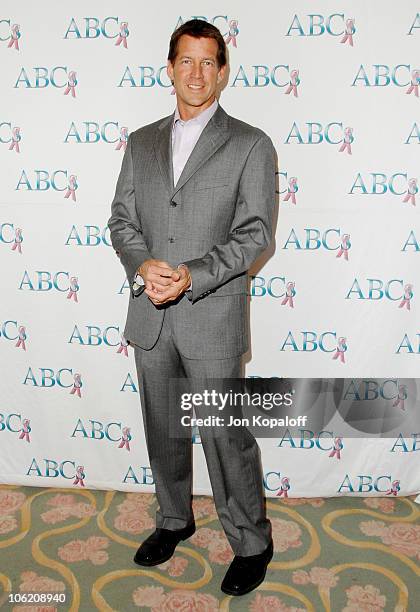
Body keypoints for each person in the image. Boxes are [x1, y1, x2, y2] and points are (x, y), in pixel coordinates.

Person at [108, 19, 276, 596]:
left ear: (223, 71)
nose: (197, 73)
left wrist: (190, 277)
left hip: (213, 317)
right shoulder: (142, 142)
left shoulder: (251, 143)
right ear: (170, 67)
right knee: (163, 429)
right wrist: (142, 264)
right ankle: (174, 519)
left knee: (224, 435)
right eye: (186, 60)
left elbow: (255, 234)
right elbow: (122, 221)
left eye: (209, 62)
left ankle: (251, 539)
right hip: (151, 316)